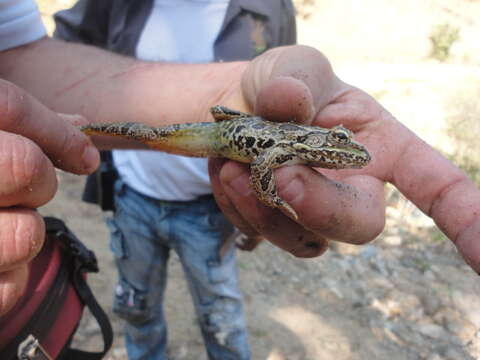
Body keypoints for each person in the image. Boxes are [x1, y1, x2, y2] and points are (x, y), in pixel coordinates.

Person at [1, 0, 480, 343]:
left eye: (342, 149)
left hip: (211, 208)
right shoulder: (294, 145)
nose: (344, 153)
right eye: (341, 148)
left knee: (220, 312)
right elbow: (267, 163)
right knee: (139, 300)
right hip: (157, 180)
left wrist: (242, 90)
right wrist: (269, 194)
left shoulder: (270, 16)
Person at [53, 1, 296, 359]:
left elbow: (279, 108)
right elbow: (49, 52)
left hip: (210, 212)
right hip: (131, 197)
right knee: (138, 310)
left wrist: (260, 217)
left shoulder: (271, 8)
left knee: (222, 322)